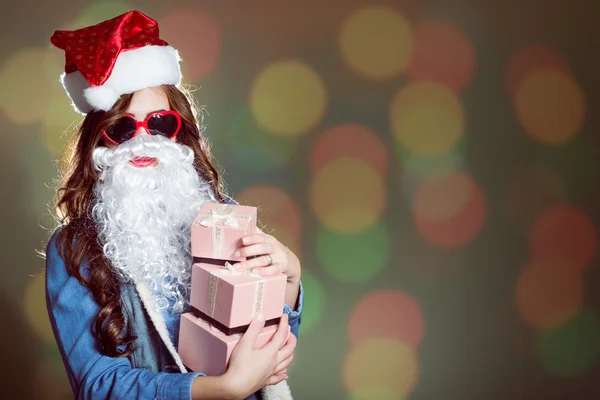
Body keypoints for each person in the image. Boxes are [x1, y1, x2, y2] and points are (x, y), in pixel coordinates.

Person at [44, 10, 303, 400]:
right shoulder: (73, 249)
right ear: (98, 142)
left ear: (181, 132)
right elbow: (98, 385)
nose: (142, 140)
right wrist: (223, 389)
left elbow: (267, 343)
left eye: (161, 123)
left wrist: (291, 281)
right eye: (122, 127)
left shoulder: (221, 213)